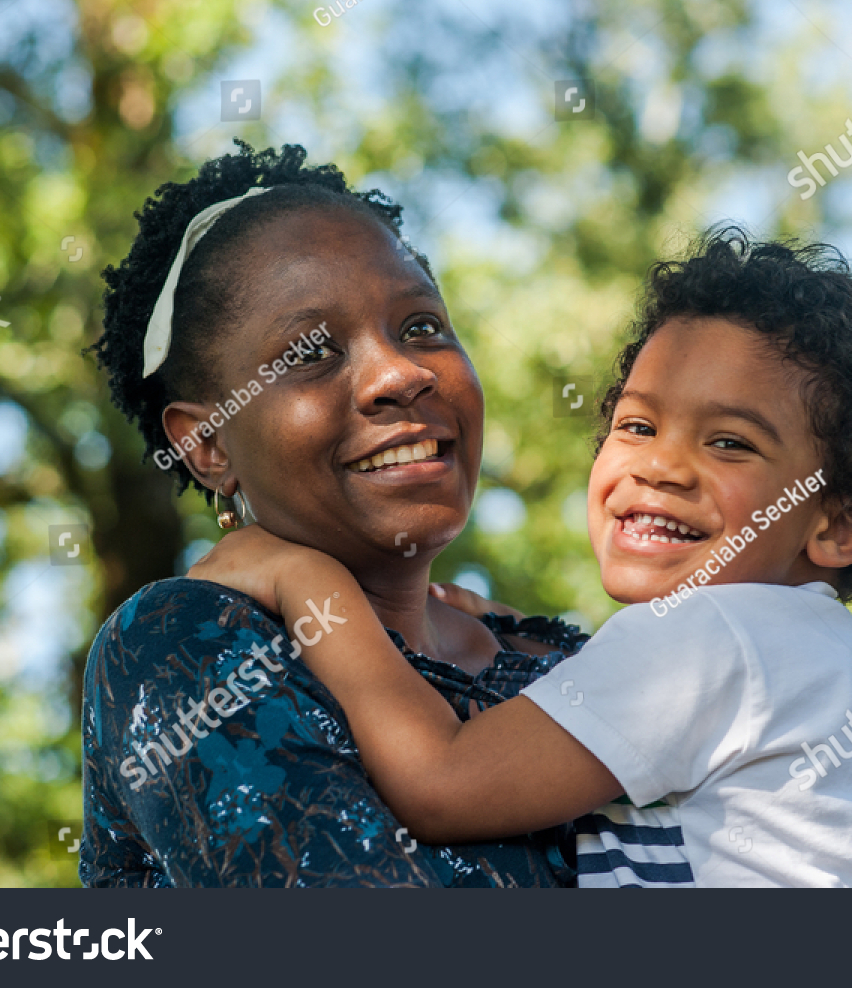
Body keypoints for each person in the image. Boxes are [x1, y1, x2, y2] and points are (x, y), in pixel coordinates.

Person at [191, 227, 852, 886]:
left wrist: (312, 587)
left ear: (839, 526)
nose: (659, 467)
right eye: (638, 426)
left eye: (729, 443)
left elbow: (444, 781)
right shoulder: (793, 649)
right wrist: (517, 627)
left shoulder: (715, 639)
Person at [79, 141, 584, 886]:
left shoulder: (561, 661)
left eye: (421, 328)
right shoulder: (184, 647)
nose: (401, 373)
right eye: (310, 353)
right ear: (209, 444)